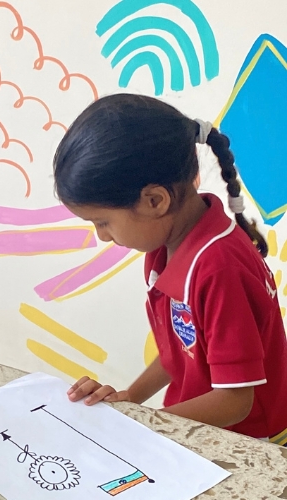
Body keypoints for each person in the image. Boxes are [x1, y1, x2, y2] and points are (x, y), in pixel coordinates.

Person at [53, 93, 287, 444]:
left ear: (155, 201)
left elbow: (236, 401)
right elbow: (180, 347)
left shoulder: (219, 269)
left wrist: (142, 425)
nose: (102, 236)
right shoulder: (165, 248)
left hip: (250, 442)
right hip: (199, 425)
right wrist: (130, 401)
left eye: (102, 222)